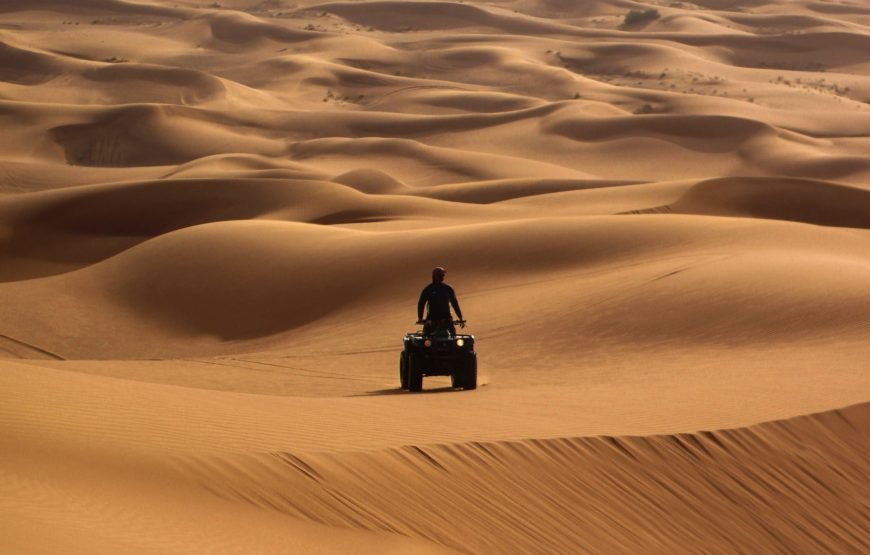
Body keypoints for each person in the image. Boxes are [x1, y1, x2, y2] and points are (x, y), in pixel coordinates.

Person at [417, 267, 464, 335]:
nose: (442, 277)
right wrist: (420, 318)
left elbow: (454, 303)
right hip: (432, 318)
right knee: (426, 337)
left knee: (453, 337)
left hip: (446, 318)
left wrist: (460, 317)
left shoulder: (448, 288)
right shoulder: (428, 289)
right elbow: (421, 303)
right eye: (440, 275)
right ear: (435, 276)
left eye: (443, 275)